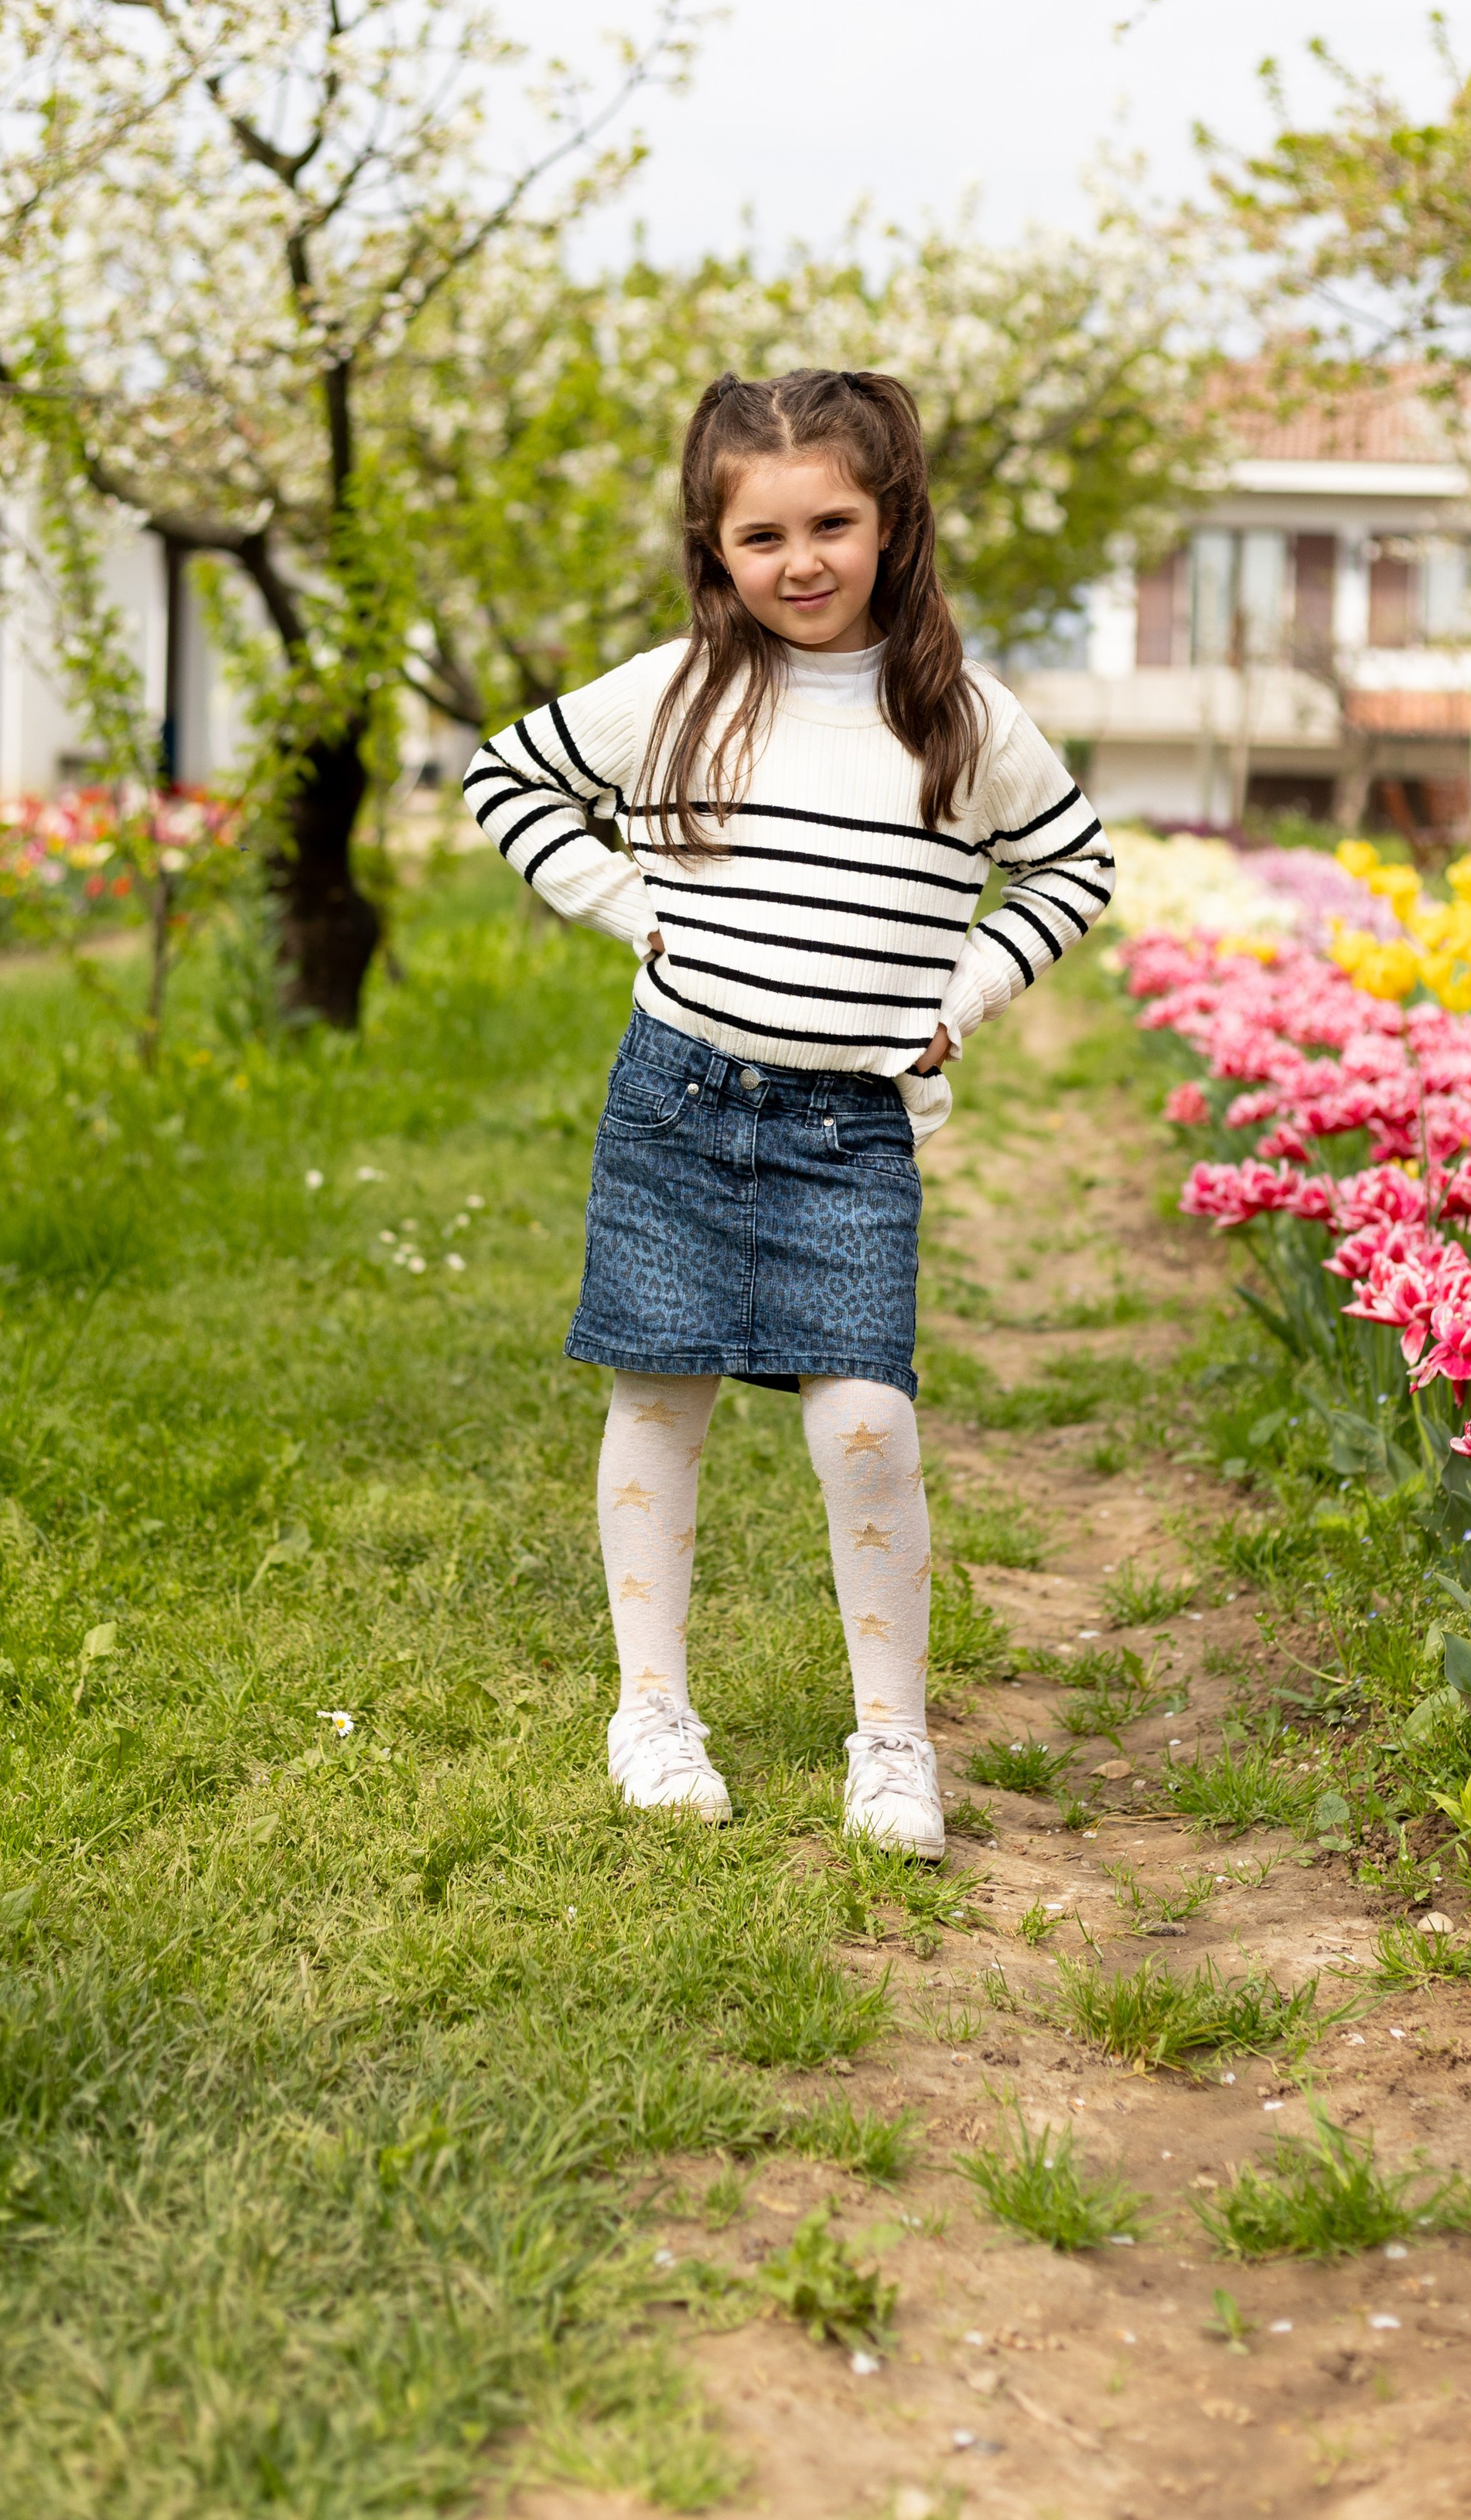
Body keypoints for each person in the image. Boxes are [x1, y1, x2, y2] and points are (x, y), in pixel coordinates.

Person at [464, 367, 1115, 1859]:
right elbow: (508, 779)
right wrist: (630, 907)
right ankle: (651, 1710)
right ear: (715, 548)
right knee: (657, 1399)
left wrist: (964, 993)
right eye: (761, 537)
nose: (801, 562)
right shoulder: (679, 692)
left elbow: (1074, 867)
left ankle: (893, 1740)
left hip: (848, 1133)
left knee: (868, 1422)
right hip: (676, 1102)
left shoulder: (961, 718)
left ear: (893, 524)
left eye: (833, 525)